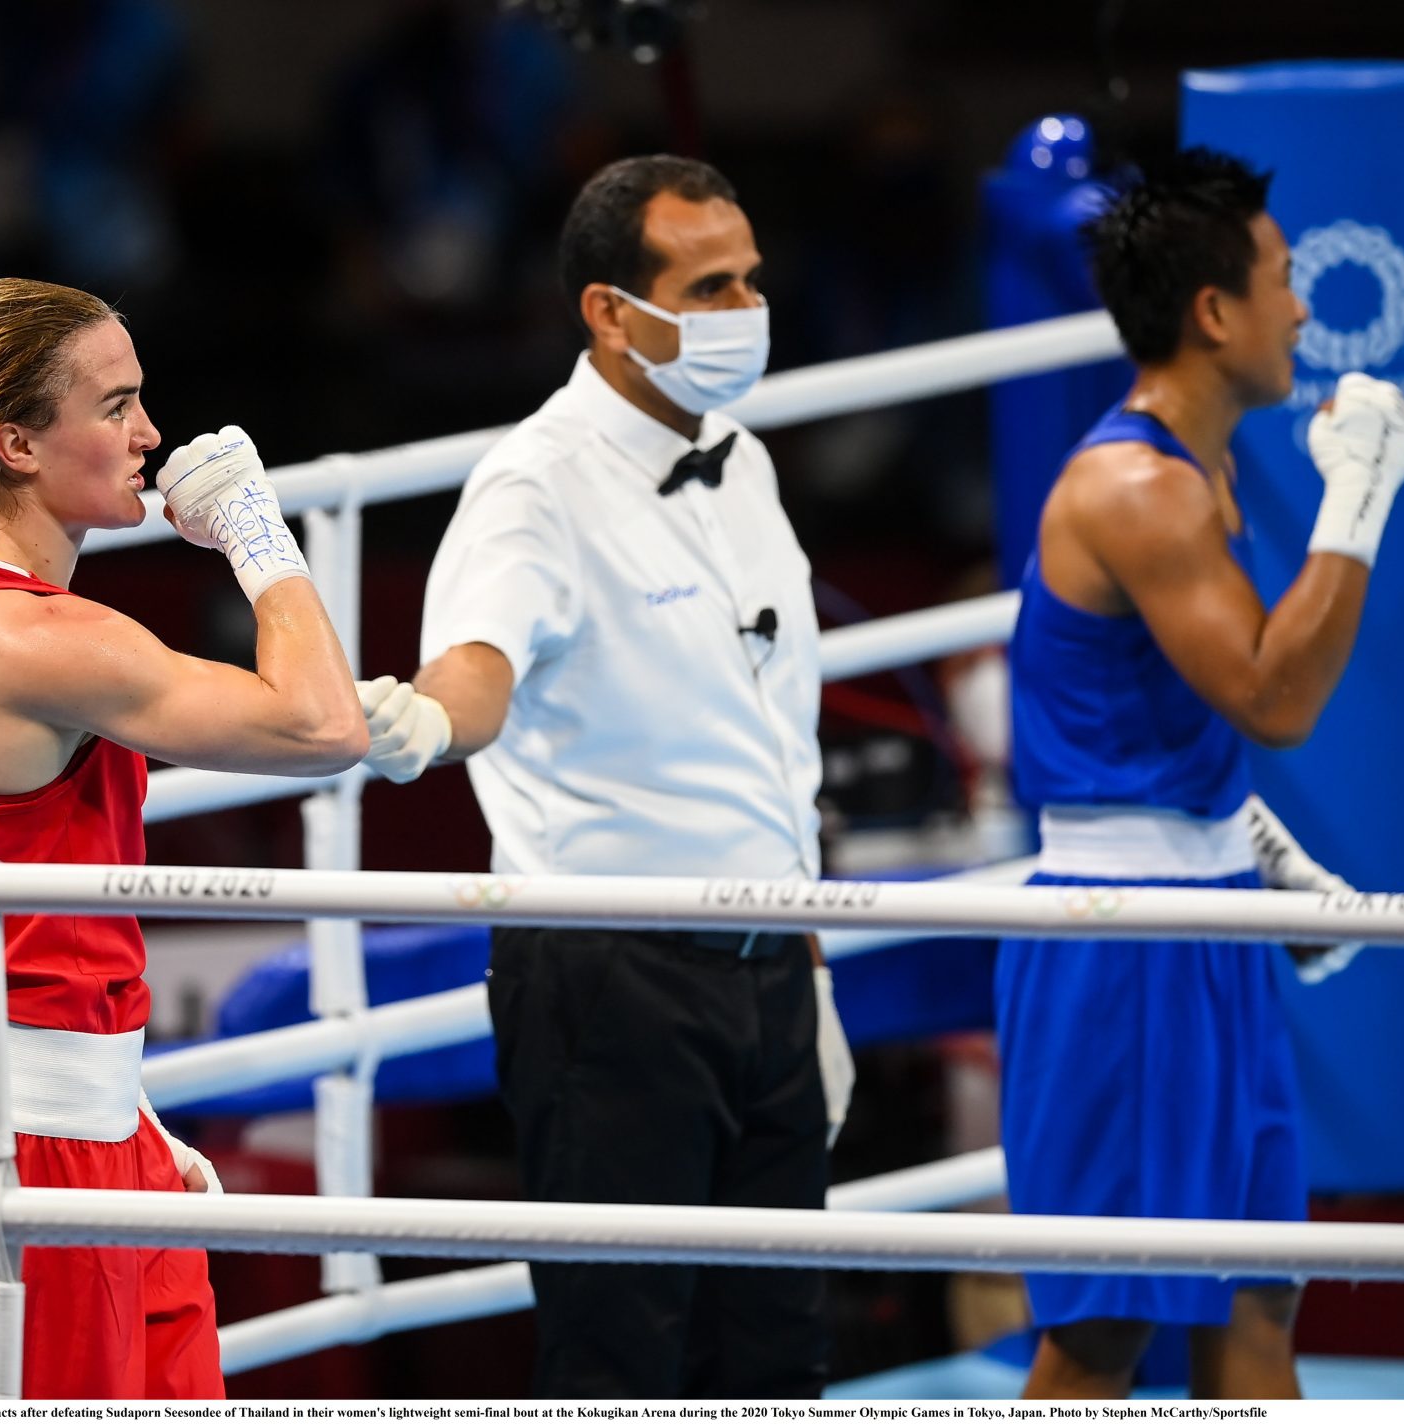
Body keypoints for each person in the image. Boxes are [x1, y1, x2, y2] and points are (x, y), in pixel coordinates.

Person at [356, 155, 853, 1399]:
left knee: (779, 1348)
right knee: (620, 1353)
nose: (744, 307)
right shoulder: (533, 485)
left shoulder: (740, 457)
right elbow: (477, 664)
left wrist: (808, 955)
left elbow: (766, 728)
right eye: (708, 284)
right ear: (609, 312)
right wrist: (423, 716)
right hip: (611, 977)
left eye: (748, 277)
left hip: (771, 964)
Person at [0, 277, 367, 1399]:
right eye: (116, 404)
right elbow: (323, 723)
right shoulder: (21, 637)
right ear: (16, 441)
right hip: (24, 1139)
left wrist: (122, 1103)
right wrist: (258, 540)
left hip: (86, 1112)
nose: (149, 434)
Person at [997, 148, 1404, 1399]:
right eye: (1280, 279)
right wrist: (1360, 494)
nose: (1298, 308)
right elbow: (1273, 696)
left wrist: (1242, 840)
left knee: (1251, 1301)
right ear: (1212, 311)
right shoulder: (1134, 488)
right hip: (1119, 943)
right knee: (1107, 1327)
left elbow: (1135, 711)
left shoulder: (1200, 473)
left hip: (1203, 914)